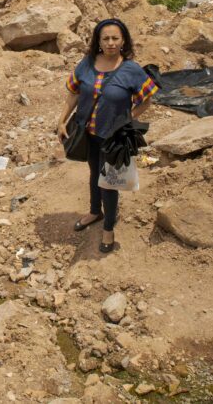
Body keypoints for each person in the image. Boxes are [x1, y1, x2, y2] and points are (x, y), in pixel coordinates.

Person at [57, 19, 159, 253]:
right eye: (106, 39)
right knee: (94, 172)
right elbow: (73, 93)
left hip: (113, 137)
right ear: (98, 41)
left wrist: (127, 118)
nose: (111, 43)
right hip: (88, 132)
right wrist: (61, 120)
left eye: (115, 38)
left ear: (123, 41)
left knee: (109, 181)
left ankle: (109, 228)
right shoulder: (87, 64)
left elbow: (147, 99)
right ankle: (95, 211)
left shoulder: (131, 69)